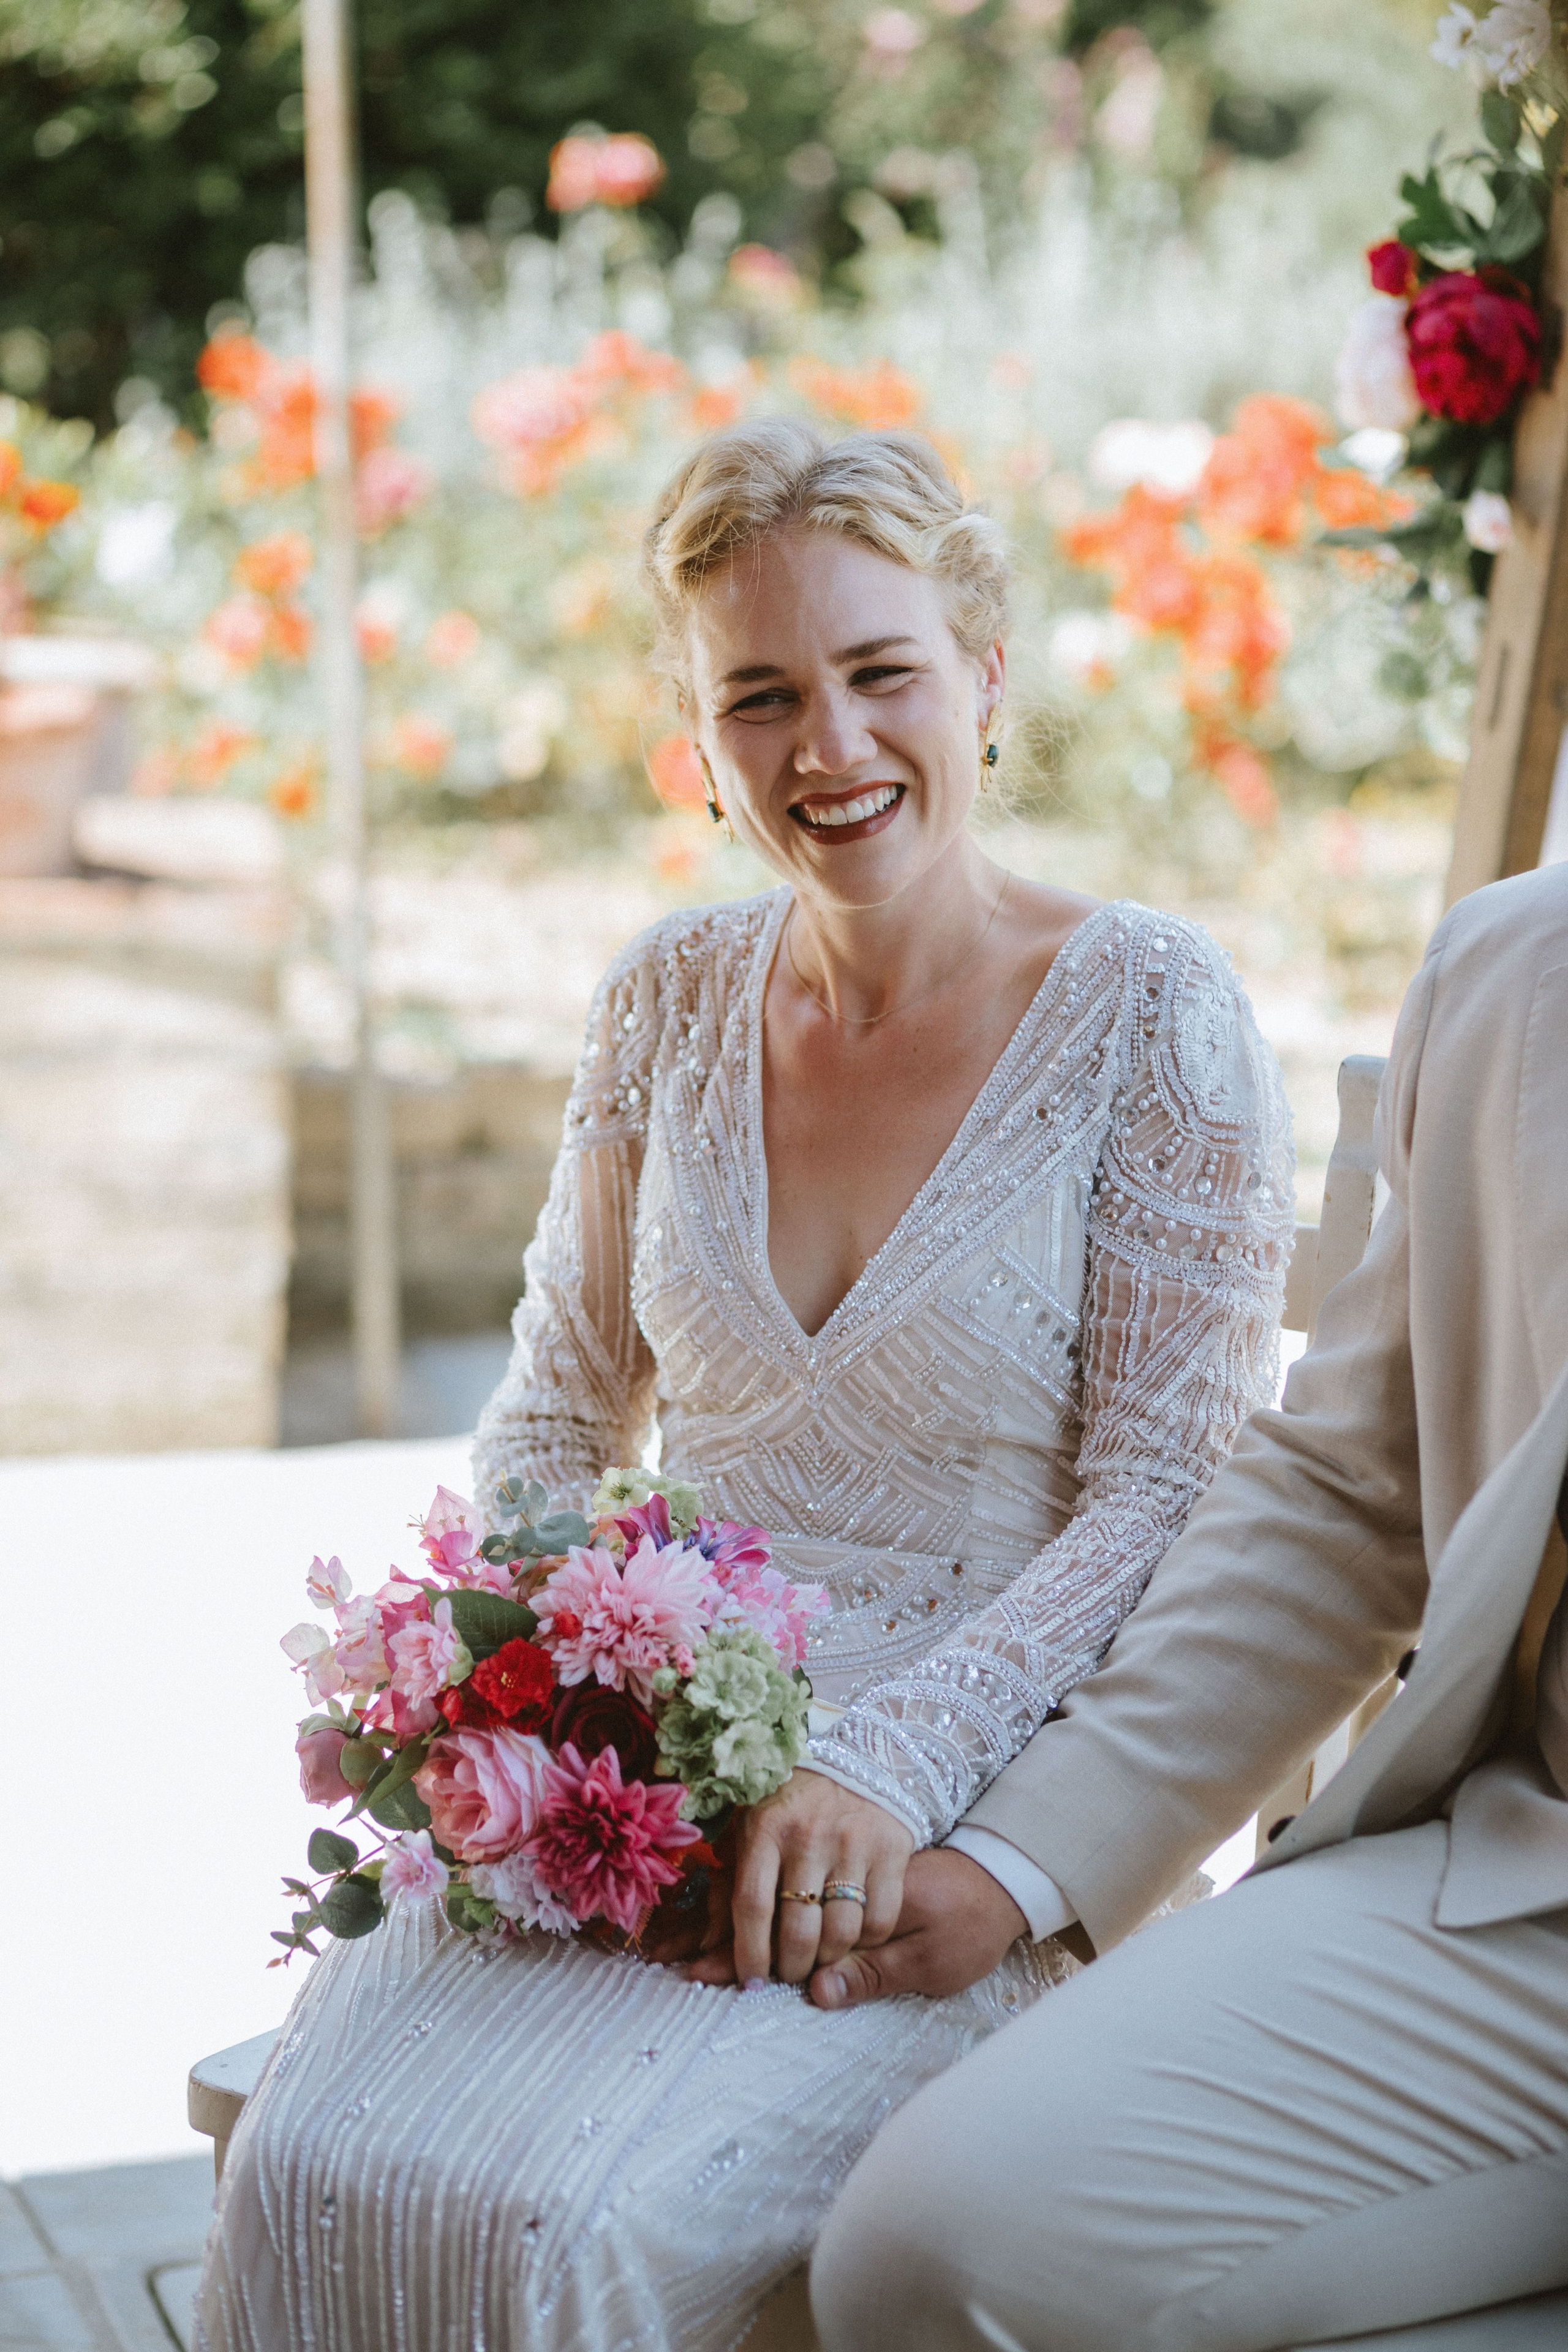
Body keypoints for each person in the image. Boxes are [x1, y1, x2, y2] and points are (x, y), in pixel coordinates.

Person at [195, 420, 1294, 2352]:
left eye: (880, 675)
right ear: (697, 736)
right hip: (648, 1765)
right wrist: (545, 1697)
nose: (830, 750)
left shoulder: (1154, 1012)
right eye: (762, 697)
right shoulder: (668, 997)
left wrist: (890, 1771)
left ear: (985, 671)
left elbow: (1164, 1503)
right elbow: (556, 1413)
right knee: (310, 2165)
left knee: (577, 2226)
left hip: (968, 1799)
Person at [810, 859, 1568, 2351]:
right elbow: (1355, 1491)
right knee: (929, 2251)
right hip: (1529, 1895)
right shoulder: (1517, 970)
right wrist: (1023, 1864)